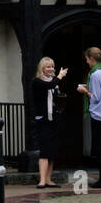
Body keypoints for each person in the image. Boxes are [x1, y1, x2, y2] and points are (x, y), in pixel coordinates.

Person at [75, 46, 101, 188]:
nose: (86, 62)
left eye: (86, 59)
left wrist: (84, 90)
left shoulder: (95, 74)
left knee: (100, 149)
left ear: (91, 59)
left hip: (98, 115)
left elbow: (95, 97)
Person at [31, 57, 68, 188]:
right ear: (42, 68)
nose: (51, 69)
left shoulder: (53, 82)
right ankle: (41, 180)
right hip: (43, 120)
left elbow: (54, 92)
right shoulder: (37, 81)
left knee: (52, 151)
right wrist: (59, 76)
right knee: (44, 150)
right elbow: (48, 86)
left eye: (52, 66)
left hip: (54, 119)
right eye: (48, 67)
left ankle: (48, 179)